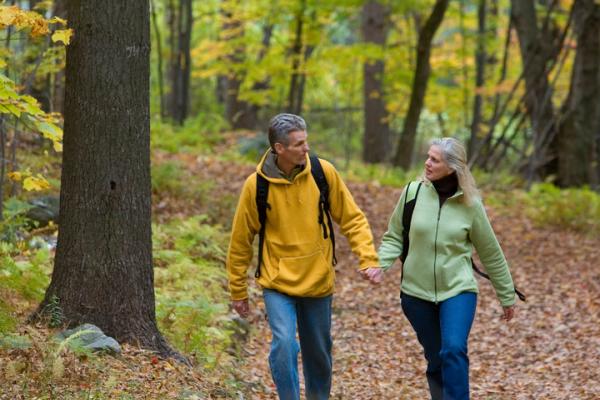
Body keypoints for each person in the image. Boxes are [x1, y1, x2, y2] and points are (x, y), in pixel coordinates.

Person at [226, 113, 381, 400]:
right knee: (284, 344)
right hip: (277, 282)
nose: (306, 149)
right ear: (279, 149)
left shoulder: (323, 173)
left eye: (306, 142)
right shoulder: (256, 186)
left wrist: (367, 258)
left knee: (319, 353)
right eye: (298, 144)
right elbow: (240, 241)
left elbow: (352, 219)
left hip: (318, 279)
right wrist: (238, 289)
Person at [373, 137, 516, 400]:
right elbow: (394, 236)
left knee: (452, 349)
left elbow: (491, 253)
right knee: (437, 357)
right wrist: (380, 265)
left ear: (452, 167)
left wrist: (506, 294)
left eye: (434, 159)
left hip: (457, 290)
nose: (427, 163)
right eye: (428, 157)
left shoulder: (470, 204)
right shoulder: (412, 193)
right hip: (416, 294)